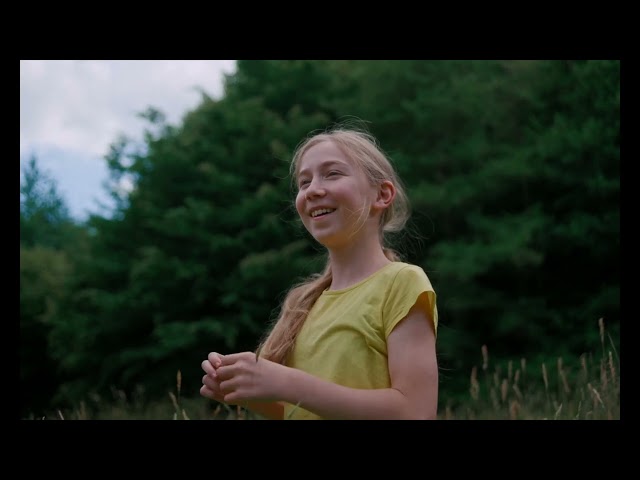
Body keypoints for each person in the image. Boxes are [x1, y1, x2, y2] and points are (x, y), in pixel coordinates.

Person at [200, 125, 439, 420]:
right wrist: (247, 390)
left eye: (332, 173)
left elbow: (416, 412)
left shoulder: (402, 282)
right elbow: (304, 409)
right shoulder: (303, 303)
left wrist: (287, 382)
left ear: (382, 194)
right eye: (304, 182)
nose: (312, 190)